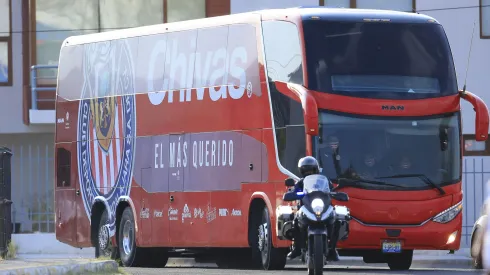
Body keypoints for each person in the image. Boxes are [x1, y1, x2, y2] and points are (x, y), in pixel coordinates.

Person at [287, 156, 340, 262]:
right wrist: (292, 193)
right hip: (305, 208)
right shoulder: (300, 183)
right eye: (305, 171)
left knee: (337, 220)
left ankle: (332, 248)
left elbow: (331, 189)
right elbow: (294, 191)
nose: (308, 173)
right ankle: (297, 248)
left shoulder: (324, 181)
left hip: (322, 208)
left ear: (316, 169)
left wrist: (334, 193)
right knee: (295, 221)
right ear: (301, 172)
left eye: (310, 170)